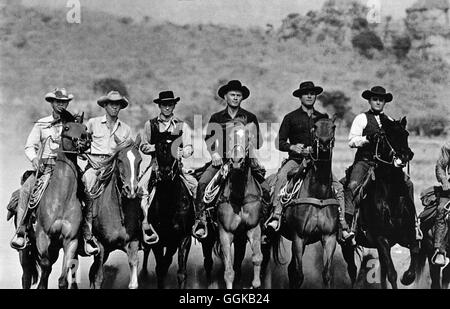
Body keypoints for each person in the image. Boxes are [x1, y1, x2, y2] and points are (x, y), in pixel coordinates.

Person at [265, 81, 353, 241]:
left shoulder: (322, 119)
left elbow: (329, 140)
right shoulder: (290, 117)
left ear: (315, 96)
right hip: (296, 161)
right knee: (280, 179)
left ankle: (342, 224)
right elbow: (279, 142)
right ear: (300, 96)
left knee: (338, 187)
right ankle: (276, 215)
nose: (310, 95)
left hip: (318, 163)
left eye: (312, 93)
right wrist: (293, 147)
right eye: (306, 93)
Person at [192, 80, 265, 239]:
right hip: (222, 161)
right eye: (232, 95)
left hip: (245, 162)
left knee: (265, 187)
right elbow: (209, 139)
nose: (235, 98)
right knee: (203, 183)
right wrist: (215, 155)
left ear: (242, 98)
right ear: (225, 96)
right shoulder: (217, 117)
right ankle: (201, 220)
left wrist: (253, 136)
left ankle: (264, 224)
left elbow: (259, 143)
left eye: (238, 95)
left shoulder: (250, 117)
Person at [10, 88, 80, 250]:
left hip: (68, 167)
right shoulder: (42, 123)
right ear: (52, 103)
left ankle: (87, 232)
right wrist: (34, 159)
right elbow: (30, 146)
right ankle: (21, 230)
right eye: (58, 102)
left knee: (87, 191)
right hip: (46, 167)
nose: (61, 105)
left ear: (67, 103)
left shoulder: (73, 123)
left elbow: (79, 145)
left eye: (64, 102)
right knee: (26, 190)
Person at [345, 86, 415, 234]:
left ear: (384, 103)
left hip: (385, 165)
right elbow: (352, 141)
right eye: (375, 99)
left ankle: (412, 224)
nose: (378, 102)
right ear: (370, 101)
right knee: (352, 186)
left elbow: (397, 144)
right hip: (365, 162)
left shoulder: (390, 121)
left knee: (408, 184)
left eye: (381, 100)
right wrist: (367, 139)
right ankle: (347, 225)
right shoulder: (361, 118)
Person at [138, 90, 197, 245]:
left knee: (195, 186)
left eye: (170, 104)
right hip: (155, 166)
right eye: (164, 104)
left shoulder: (180, 126)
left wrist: (182, 152)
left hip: (175, 167)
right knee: (141, 189)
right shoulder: (150, 125)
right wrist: (156, 148)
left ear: (174, 105)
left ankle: (197, 221)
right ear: (160, 105)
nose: (167, 107)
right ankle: (143, 225)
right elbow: (143, 145)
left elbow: (190, 147)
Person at [82, 90, 132, 255]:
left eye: (117, 104)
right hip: (95, 166)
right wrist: (87, 156)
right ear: (105, 106)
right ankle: (87, 232)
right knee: (86, 186)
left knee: (133, 188)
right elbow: (82, 144)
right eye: (111, 104)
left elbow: (128, 152)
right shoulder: (92, 123)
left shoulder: (125, 129)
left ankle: (136, 229)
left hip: (116, 166)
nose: (114, 107)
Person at [432, 141, 450, 266]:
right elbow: (440, 166)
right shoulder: (448, 147)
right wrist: (444, 180)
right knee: (441, 210)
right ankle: (440, 249)